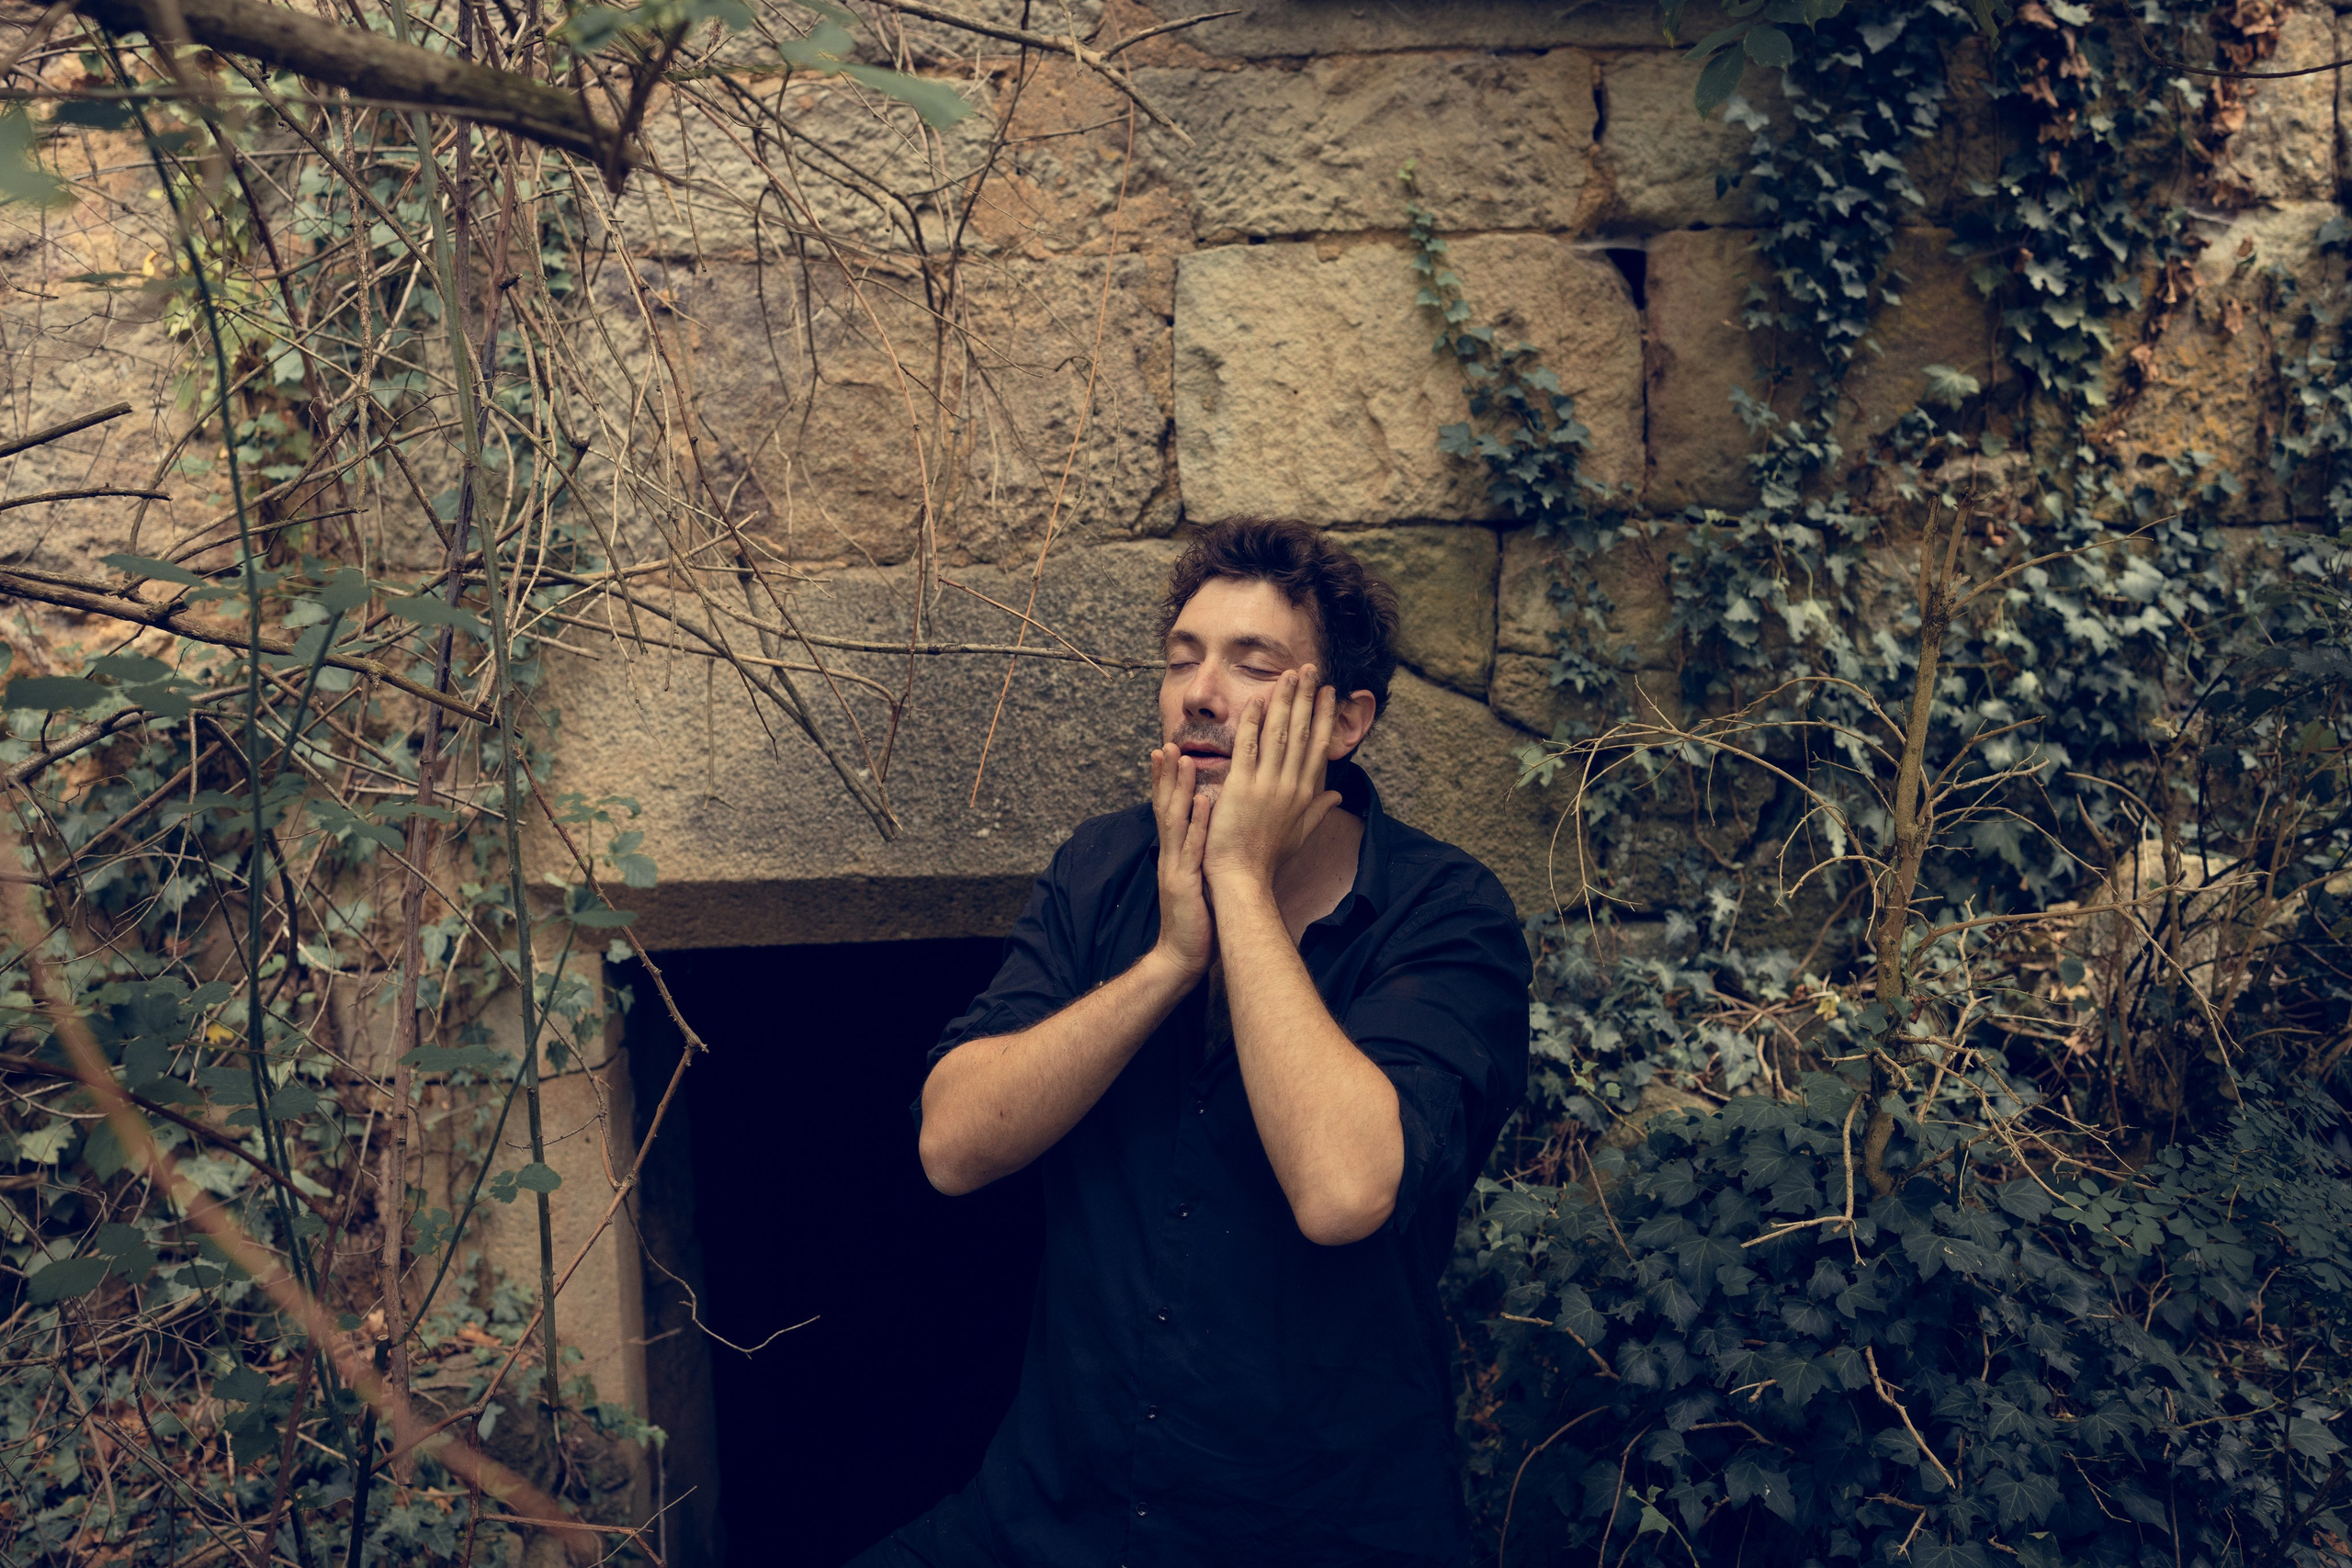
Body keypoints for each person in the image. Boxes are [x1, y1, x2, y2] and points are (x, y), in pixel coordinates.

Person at [850, 519, 1530, 1568]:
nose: (1199, 693)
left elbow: (1345, 1191)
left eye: (1251, 665)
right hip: (1050, 1519)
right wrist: (1168, 960)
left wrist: (1242, 886)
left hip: (1317, 1534)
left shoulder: (1446, 914)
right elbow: (951, 1146)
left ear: (1345, 722)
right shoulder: (1104, 870)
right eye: (1181, 660)